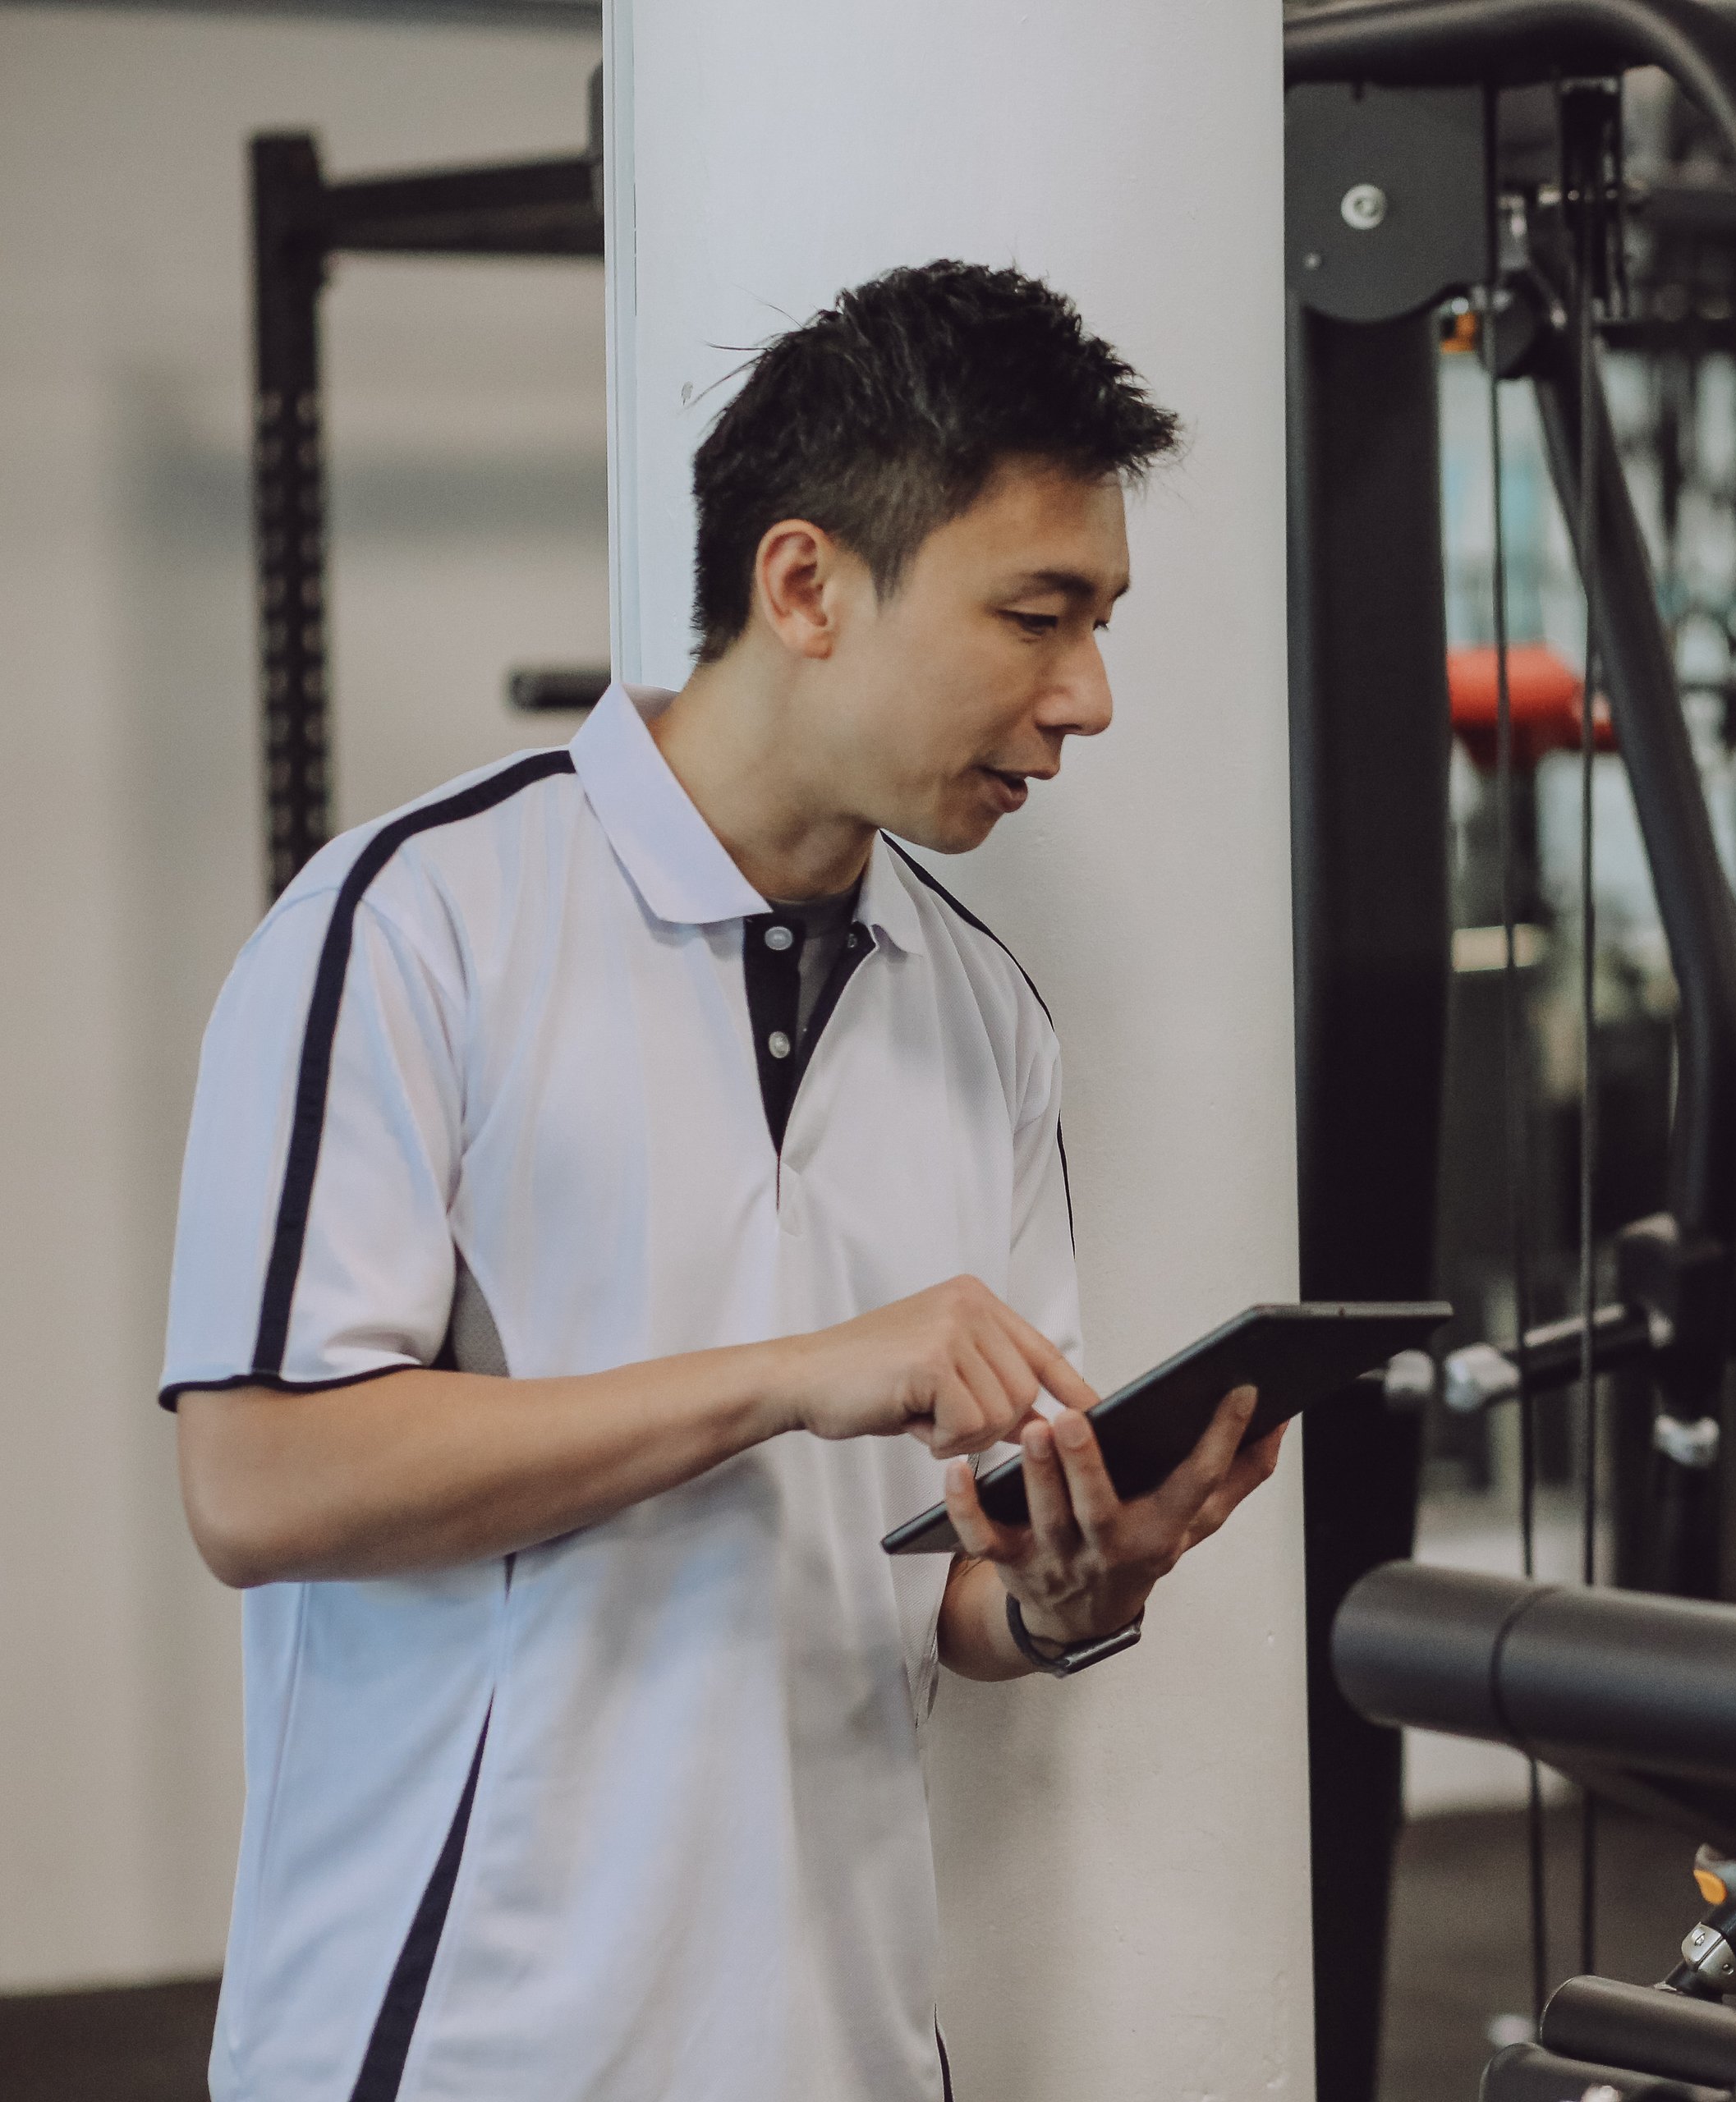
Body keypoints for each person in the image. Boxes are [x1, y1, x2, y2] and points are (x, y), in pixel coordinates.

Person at [158, 262, 1282, 2102]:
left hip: (837, 2044)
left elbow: (939, 1592)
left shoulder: (987, 1014)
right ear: (805, 585)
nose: (1086, 695)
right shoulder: (413, 927)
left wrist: (1072, 1592)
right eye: (1036, 613)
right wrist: (789, 1369)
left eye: (1102, 620)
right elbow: (258, 1478)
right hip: (456, 2046)